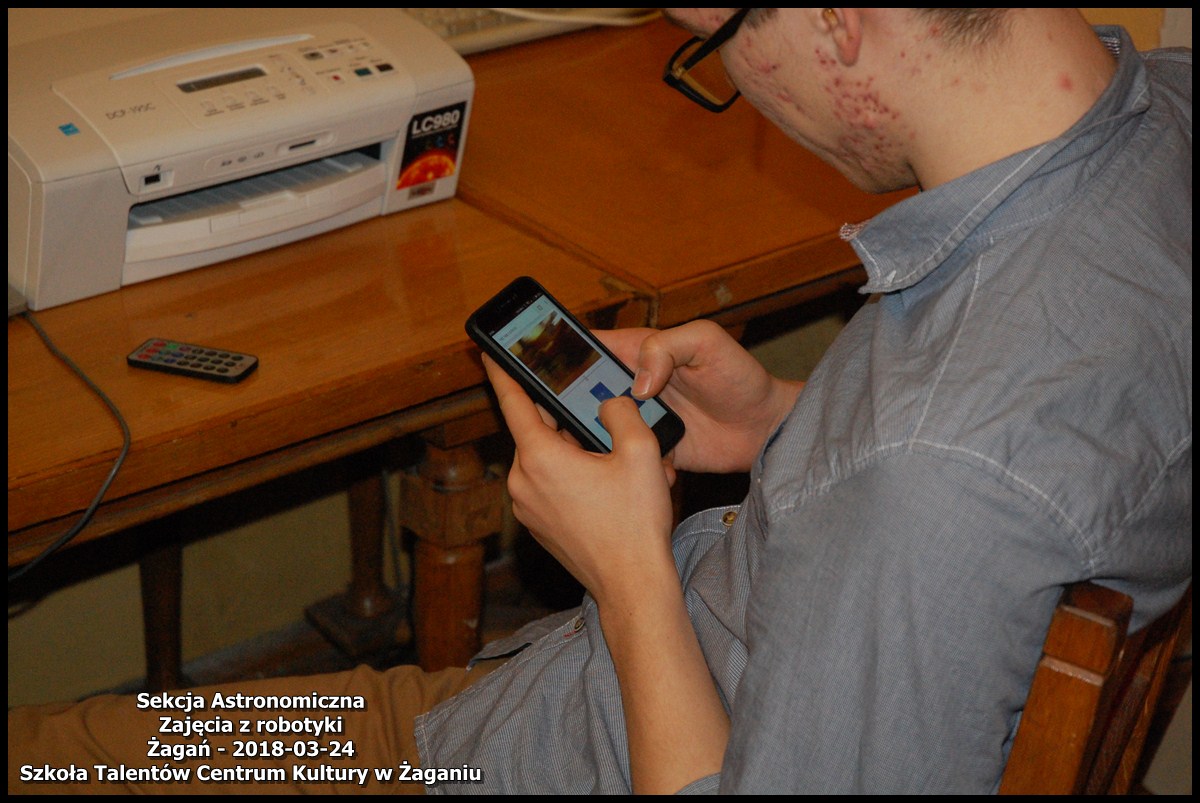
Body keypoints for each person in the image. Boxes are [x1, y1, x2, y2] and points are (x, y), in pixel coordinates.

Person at [8, 8, 1191, 795]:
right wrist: (784, 422)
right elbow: (1006, 472)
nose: (740, 90)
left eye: (713, 42)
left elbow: (935, 477)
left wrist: (625, 573)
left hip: (517, 753)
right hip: (562, 691)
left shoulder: (933, 471)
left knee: (46, 758)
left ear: (837, 20)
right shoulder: (1162, 124)